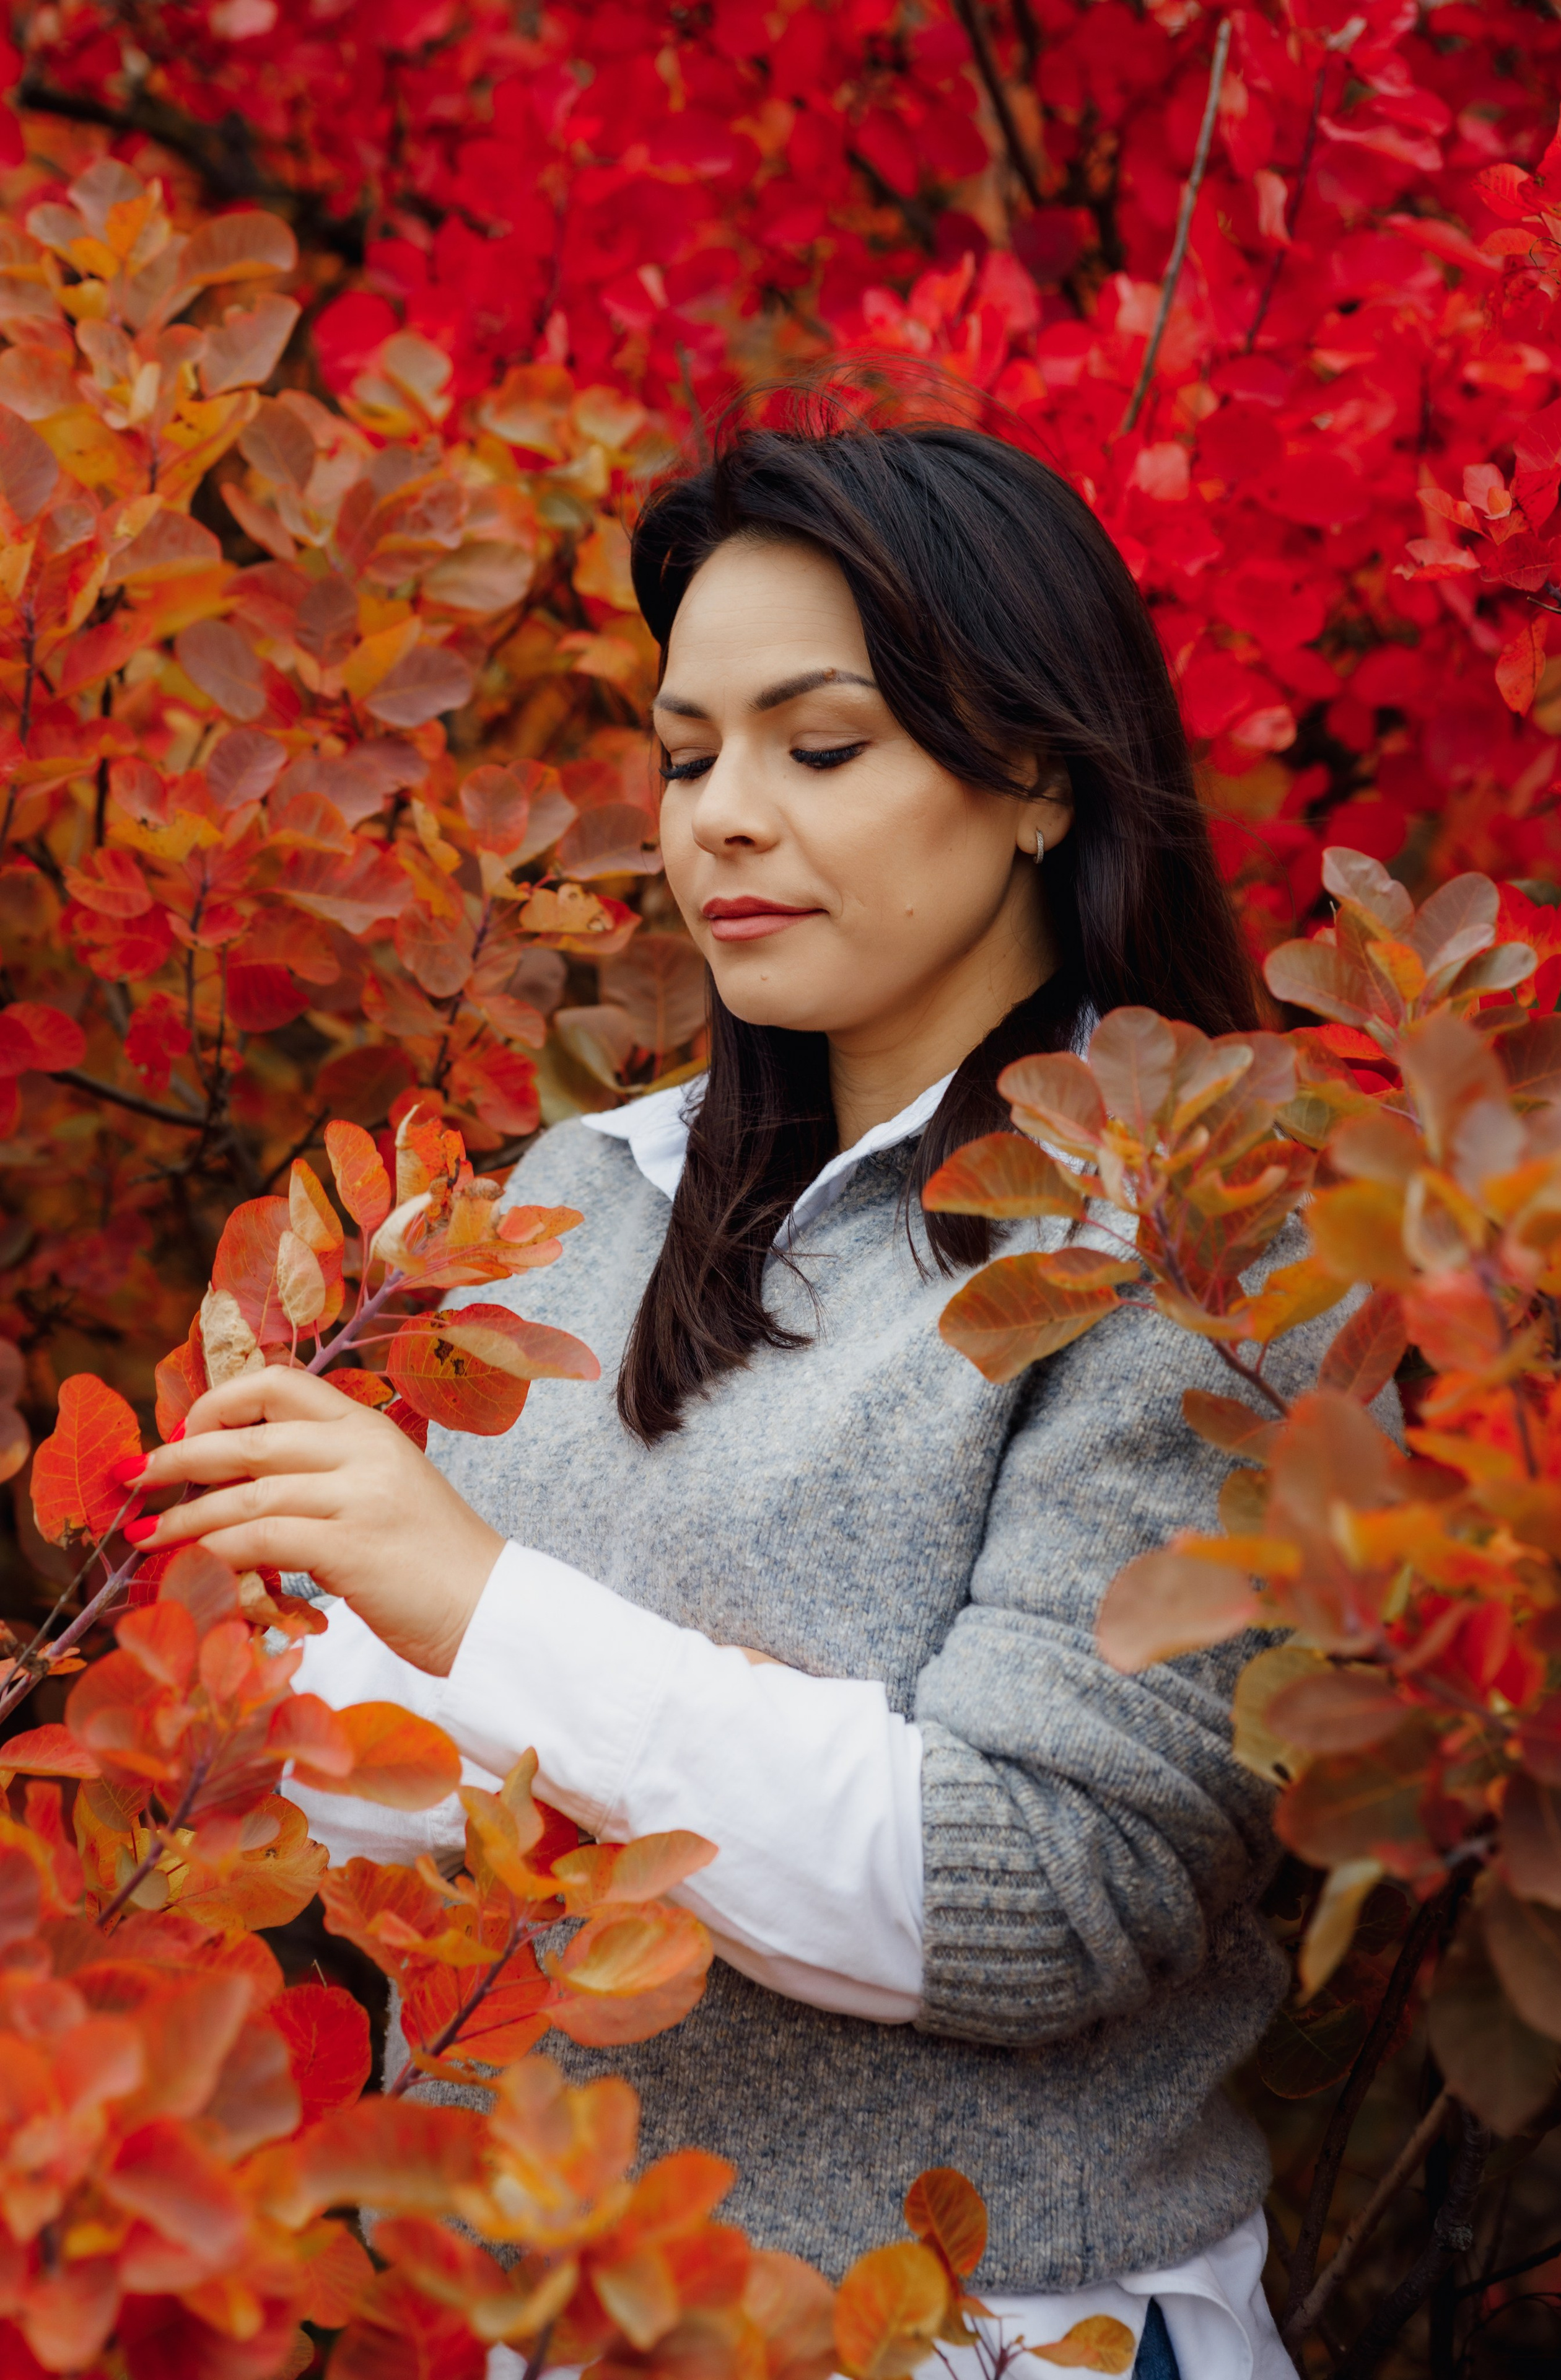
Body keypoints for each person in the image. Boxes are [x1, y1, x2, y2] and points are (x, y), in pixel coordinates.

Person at [128, 400, 1314, 2380]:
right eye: (686, 756)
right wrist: (231, 1689)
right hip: (542, 2312)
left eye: (817, 746)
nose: (719, 817)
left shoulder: (1178, 1239)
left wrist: (474, 1604)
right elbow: (402, 1777)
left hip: (992, 2337)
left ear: (1034, 772)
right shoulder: (577, 1202)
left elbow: (1045, 1888)